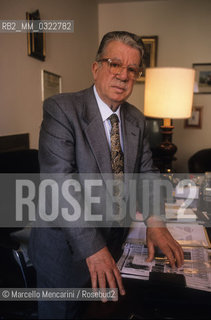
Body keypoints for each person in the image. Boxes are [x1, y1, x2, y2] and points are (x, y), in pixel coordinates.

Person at [29, 31, 184, 319]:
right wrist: (93, 249)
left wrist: (155, 221)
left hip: (114, 245)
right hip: (65, 252)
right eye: (114, 63)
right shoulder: (62, 109)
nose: (123, 75)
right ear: (96, 67)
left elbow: (147, 173)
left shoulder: (136, 118)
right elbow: (59, 186)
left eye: (131, 69)